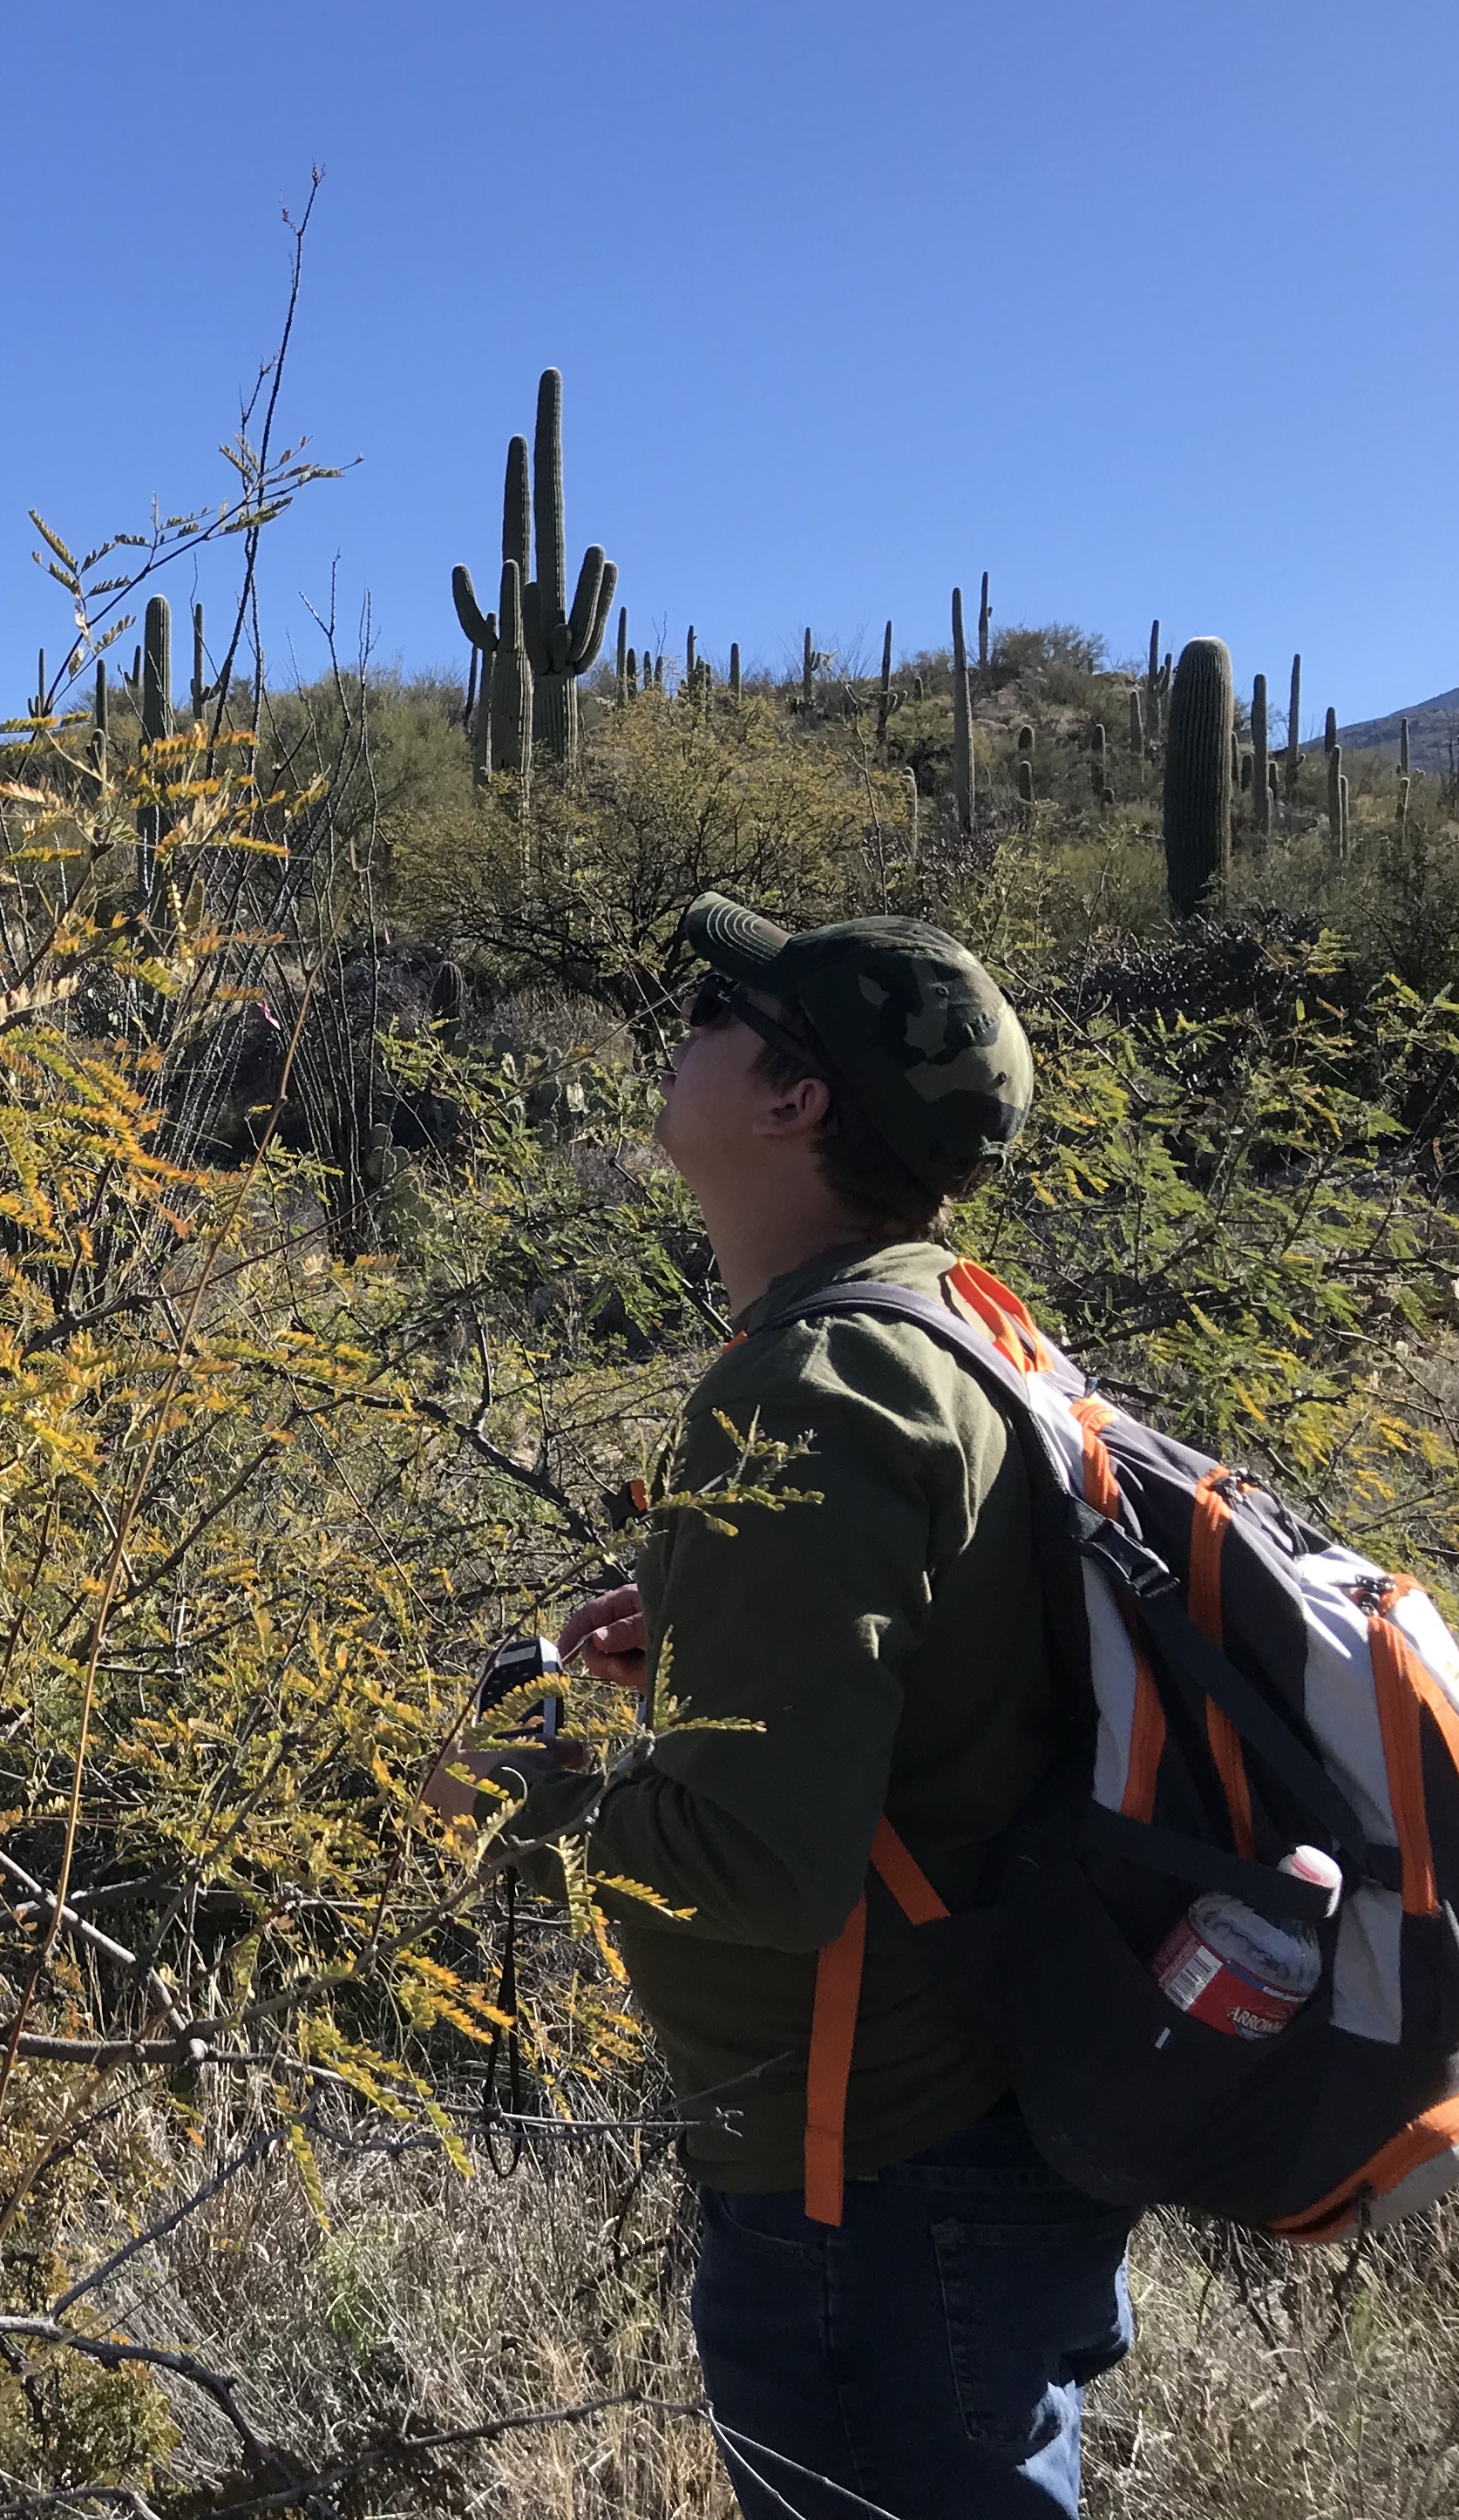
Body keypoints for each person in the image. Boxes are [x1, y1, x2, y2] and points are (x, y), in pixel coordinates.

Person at [513, 891, 1137, 2520]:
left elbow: (768, 1866)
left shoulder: (813, 1382)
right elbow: (951, 1673)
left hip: (876, 2184)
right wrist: (730, 1647)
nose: (688, 1028)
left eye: (726, 1017)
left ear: (797, 1104)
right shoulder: (957, 1331)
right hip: (972, 2137)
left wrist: (536, 1785)